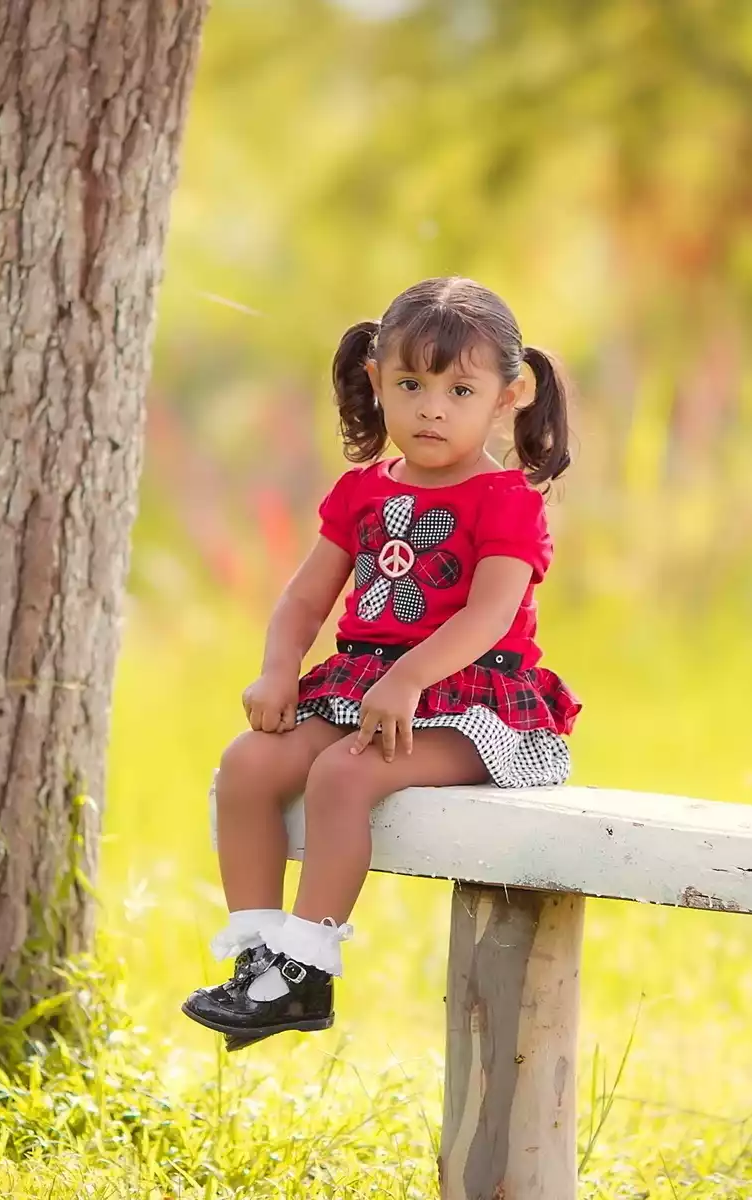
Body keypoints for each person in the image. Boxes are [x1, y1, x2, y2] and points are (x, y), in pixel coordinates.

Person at [181, 277, 584, 1051]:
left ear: (507, 397)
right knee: (248, 763)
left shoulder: (506, 498)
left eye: (459, 390)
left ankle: (306, 969)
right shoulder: (362, 491)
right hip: (365, 683)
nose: (432, 408)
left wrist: (408, 679)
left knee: (343, 774)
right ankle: (259, 960)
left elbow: (488, 616)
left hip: (471, 701)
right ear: (375, 380)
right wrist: (277, 669)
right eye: (410, 385)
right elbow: (304, 599)